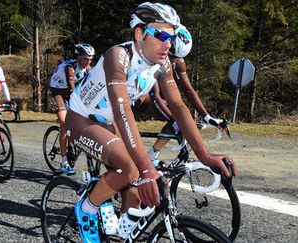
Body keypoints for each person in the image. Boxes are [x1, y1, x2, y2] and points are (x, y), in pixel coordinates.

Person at [65, 2, 237, 242]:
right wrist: (145, 167)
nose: (168, 43)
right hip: (81, 118)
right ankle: (87, 209)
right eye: (162, 35)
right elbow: (123, 108)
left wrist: (205, 155)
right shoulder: (119, 56)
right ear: (140, 33)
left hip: (109, 120)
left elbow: (178, 106)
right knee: (131, 169)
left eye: (172, 36)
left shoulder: (162, 64)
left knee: (135, 195)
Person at [133, 24, 229, 163]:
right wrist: (176, 120)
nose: (173, 60)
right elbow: (156, 97)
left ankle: (153, 154)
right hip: (139, 99)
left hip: (155, 99)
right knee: (177, 120)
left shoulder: (178, 62)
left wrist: (207, 117)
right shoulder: (154, 59)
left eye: (178, 57)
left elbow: (189, 90)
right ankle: (150, 159)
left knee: (180, 117)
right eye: (172, 56)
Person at [49, 43, 95, 175]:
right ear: (79, 57)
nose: (88, 61)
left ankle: (72, 147)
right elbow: (72, 88)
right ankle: (64, 162)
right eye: (86, 58)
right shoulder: (70, 67)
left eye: (91, 58)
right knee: (64, 123)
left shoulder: (87, 68)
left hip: (69, 93)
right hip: (57, 91)